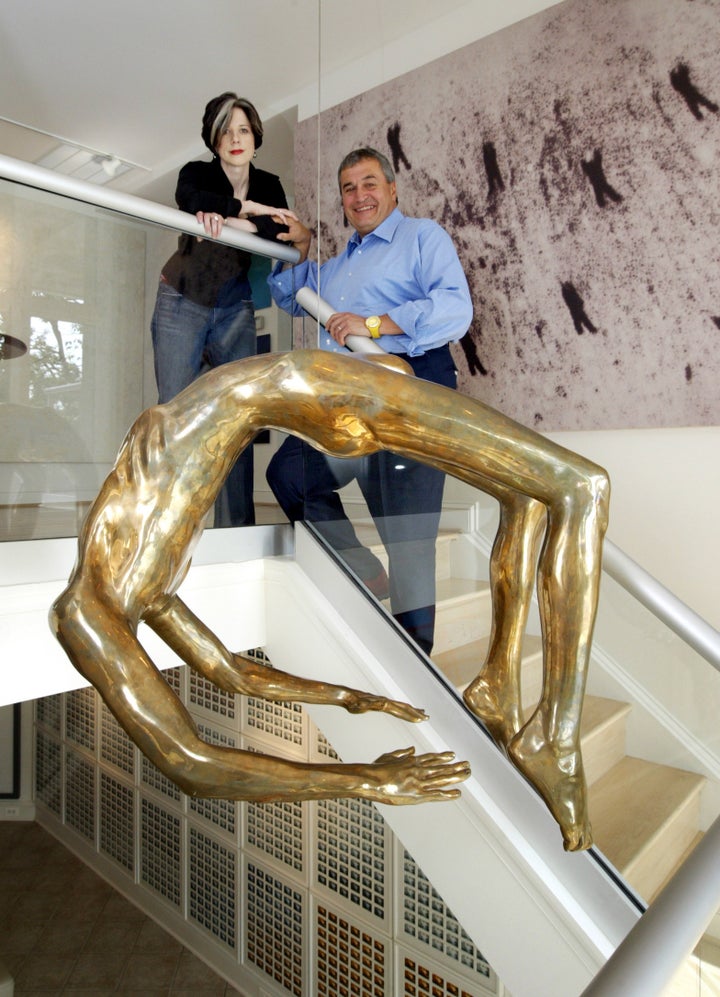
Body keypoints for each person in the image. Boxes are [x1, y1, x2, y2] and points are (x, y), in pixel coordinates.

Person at [49, 347, 609, 849]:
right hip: (299, 393)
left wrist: (369, 776)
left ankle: (553, 735)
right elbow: (230, 677)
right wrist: (350, 702)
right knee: (540, 490)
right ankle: (503, 686)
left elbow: (188, 762)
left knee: (579, 488)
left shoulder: (91, 612)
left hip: (305, 390)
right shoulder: (144, 594)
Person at [266, 147, 473, 654]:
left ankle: (415, 663)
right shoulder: (335, 268)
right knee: (289, 474)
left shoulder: (423, 237)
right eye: (348, 188)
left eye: (369, 183)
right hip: (348, 405)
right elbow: (287, 295)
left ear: (392, 188)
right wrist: (302, 245)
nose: (359, 195)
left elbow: (454, 308)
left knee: (409, 541)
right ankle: (364, 571)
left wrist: (373, 323)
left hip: (410, 393)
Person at [151, 91, 295, 527]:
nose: (235, 138)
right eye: (226, 131)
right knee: (175, 418)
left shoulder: (269, 183)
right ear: (214, 140)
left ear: (255, 137)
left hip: (234, 308)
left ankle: (235, 533)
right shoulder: (198, 172)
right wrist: (245, 209)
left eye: (244, 130)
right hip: (181, 299)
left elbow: (282, 228)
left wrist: (232, 220)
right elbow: (188, 195)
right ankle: (166, 527)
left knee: (239, 420)